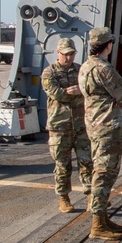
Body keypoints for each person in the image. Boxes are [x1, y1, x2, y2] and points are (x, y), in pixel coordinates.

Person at [78, 27, 122, 240]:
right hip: (108, 126)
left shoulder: (85, 67)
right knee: (105, 174)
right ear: (108, 45)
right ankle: (97, 224)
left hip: (94, 124)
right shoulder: (104, 69)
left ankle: (103, 217)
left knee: (101, 170)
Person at [41, 37, 93, 214]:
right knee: (62, 164)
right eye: (65, 55)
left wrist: (80, 90)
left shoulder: (80, 70)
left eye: (71, 54)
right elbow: (57, 94)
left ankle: (90, 196)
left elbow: (91, 88)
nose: (69, 58)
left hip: (81, 125)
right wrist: (78, 92)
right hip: (60, 126)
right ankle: (64, 197)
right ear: (58, 53)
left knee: (87, 162)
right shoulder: (49, 73)